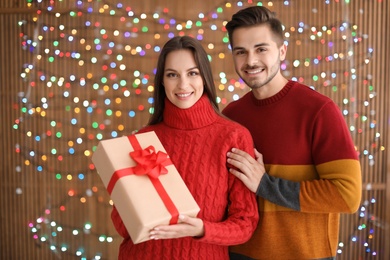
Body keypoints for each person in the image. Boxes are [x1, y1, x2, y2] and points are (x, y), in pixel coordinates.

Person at [223, 6, 362, 260]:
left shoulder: (319, 111)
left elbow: (347, 196)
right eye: (241, 52)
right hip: (240, 255)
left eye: (261, 49)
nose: (250, 61)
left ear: (282, 51)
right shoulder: (231, 115)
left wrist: (266, 185)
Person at [111, 35, 259, 259]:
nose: (182, 85)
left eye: (192, 73)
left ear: (204, 78)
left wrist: (201, 229)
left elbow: (245, 224)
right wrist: (123, 190)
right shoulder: (142, 140)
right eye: (172, 75)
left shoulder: (233, 137)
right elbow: (123, 228)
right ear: (162, 81)